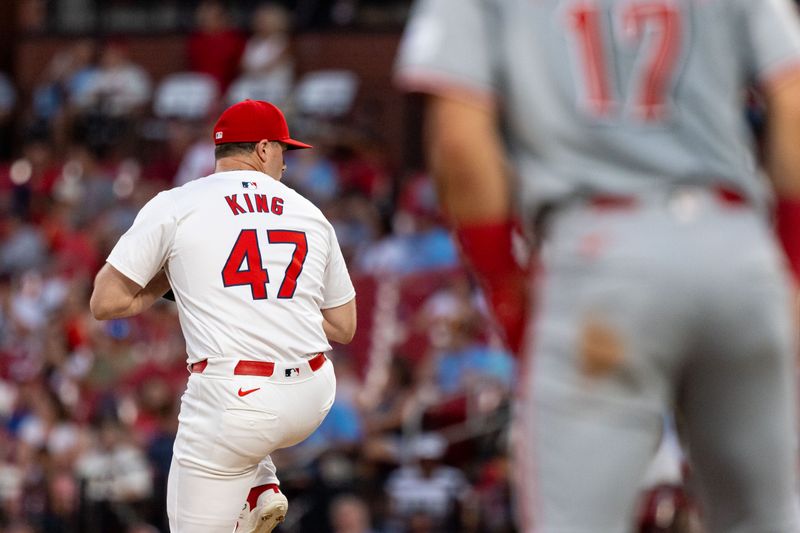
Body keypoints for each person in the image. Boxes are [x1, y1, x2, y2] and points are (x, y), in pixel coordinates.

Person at [396, 0, 800, 532]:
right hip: (736, 245)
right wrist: (787, 265)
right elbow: (792, 102)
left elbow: (457, 140)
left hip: (599, 254)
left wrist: (504, 286)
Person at [90, 99, 357, 533]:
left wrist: (172, 284)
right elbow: (345, 327)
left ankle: (257, 482)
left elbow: (106, 302)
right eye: (285, 151)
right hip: (314, 393)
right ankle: (259, 484)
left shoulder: (178, 203)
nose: (285, 164)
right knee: (257, 427)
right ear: (264, 149)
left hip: (235, 403)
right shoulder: (310, 213)